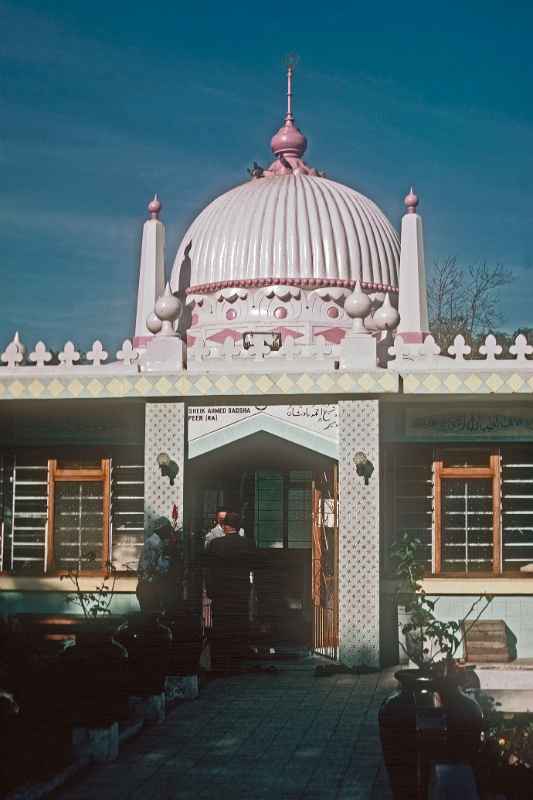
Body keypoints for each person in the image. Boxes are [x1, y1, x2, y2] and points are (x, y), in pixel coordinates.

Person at [206, 512, 257, 670]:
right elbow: (254, 567)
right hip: (240, 591)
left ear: (223, 525)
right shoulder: (248, 544)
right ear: (239, 526)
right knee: (238, 625)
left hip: (220, 592)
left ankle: (220, 663)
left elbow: (209, 570)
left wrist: (210, 590)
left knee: (221, 626)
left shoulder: (215, 544)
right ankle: (237, 662)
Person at [136, 517, 174, 612]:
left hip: (145, 586)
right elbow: (160, 568)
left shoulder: (152, 541)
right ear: (162, 529)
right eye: (168, 529)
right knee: (152, 617)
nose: (169, 533)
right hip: (149, 587)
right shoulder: (156, 544)